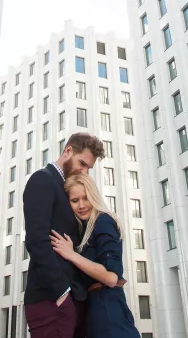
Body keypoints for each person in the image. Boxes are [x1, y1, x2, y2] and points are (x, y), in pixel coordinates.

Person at [23, 133, 105, 338]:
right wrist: (61, 292)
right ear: (68, 151)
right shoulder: (42, 180)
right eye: (82, 164)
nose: (85, 172)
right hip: (51, 300)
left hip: (71, 301)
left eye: (89, 168)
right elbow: (36, 240)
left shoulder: (67, 190)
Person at [51, 172, 142, 338]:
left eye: (86, 198)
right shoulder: (85, 229)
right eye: (74, 200)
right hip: (96, 312)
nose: (81, 205)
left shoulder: (103, 220)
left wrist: (71, 255)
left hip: (109, 311)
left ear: (94, 196)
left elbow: (111, 278)